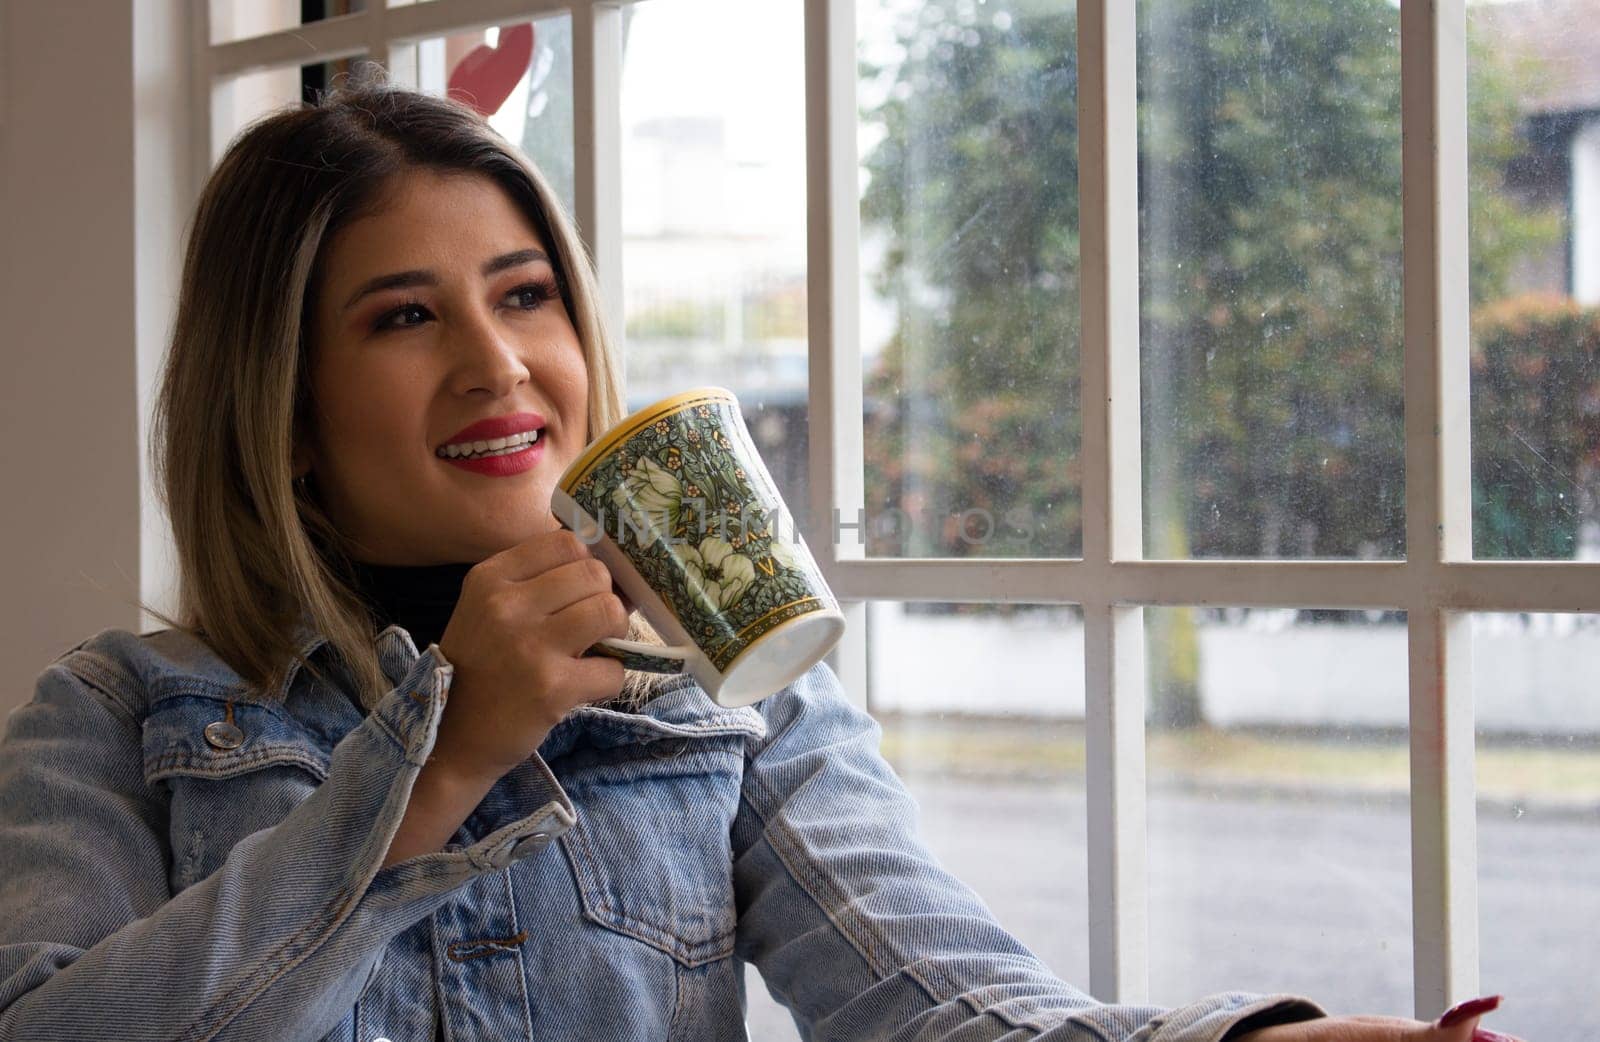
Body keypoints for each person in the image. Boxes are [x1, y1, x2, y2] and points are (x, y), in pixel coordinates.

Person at [0, 75, 1523, 1042]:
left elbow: (942, 1006)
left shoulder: (727, 703)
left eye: (526, 295)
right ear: (287, 408)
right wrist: (436, 766)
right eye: (405, 317)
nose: (500, 364)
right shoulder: (121, 717)